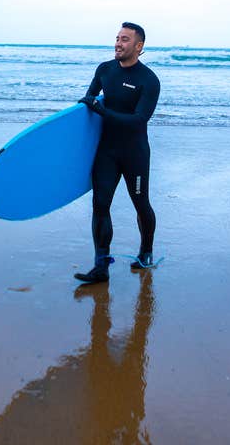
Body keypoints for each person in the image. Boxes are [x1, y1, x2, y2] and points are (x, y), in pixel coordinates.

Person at [74, 22, 161, 284]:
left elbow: (138, 120)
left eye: (125, 40)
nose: (118, 43)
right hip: (107, 151)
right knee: (100, 205)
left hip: (134, 153)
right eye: (117, 38)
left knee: (140, 203)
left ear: (139, 46)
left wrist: (102, 112)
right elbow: (87, 103)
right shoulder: (105, 70)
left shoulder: (149, 80)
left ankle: (145, 252)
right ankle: (101, 267)